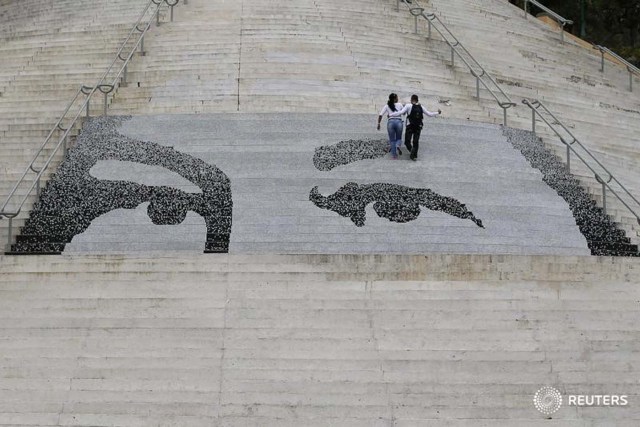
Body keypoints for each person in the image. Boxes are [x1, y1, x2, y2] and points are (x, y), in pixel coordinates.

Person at [390, 94, 441, 161]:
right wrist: (438, 112)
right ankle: (414, 156)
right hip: (418, 126)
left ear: (411, 100)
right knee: (415, 141)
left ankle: (411, 151)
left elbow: (401, 112)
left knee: (407, 141)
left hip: (410, 126)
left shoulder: (408, 106)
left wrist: (391, 114)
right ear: (417, 100)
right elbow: (429, 114)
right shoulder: (421, 107)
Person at [377, 93, 404, 159]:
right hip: (399, 122)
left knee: (392, 140)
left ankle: (394, 156)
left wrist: (378, 123)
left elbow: (380, 115)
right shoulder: (400, 104)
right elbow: (404, 112)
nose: (398, 99)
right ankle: (398, 145)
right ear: (395, 99)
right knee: (399, 138)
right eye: (397, 97)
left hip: (390, 122)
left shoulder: (387, 105)